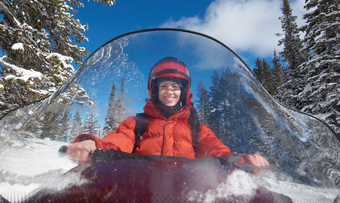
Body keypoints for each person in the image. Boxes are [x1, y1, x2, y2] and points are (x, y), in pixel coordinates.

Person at [67, 57, 269, 167]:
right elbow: (115, 143)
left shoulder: (197, 128)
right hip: (138, 189)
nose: (169, 92)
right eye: (163, 86)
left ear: (183, 91)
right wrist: (91, 144)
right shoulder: (136, 124)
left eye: (175, 86)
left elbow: (217, 150)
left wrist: (244, 161)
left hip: (189, 193)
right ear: (155, 90)